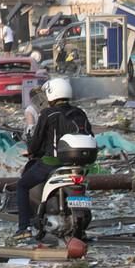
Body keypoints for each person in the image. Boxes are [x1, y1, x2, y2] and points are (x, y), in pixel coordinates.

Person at [14, 77, 92, 240]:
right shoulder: (79, 113)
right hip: (79, 165)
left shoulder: (48, 114)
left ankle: (24, 227)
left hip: (52, 163)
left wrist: (31, 151)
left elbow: (37, 142)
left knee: (22, 185)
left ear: (50, 94)